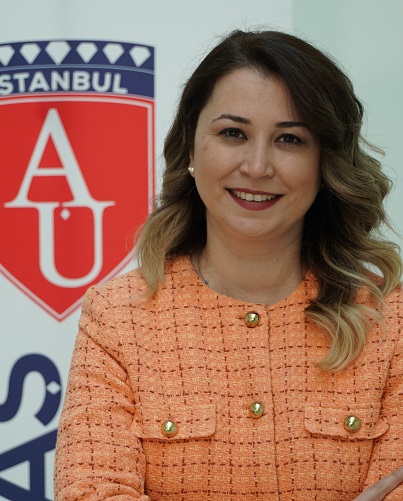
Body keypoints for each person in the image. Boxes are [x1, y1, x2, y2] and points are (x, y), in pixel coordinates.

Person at [54, 29, 403, 500]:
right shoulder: (118, 318)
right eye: (233, 133)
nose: (257, 166)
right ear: (190, 146)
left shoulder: (389, 318)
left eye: (290, 139)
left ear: (325, 163)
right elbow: (90, 493)